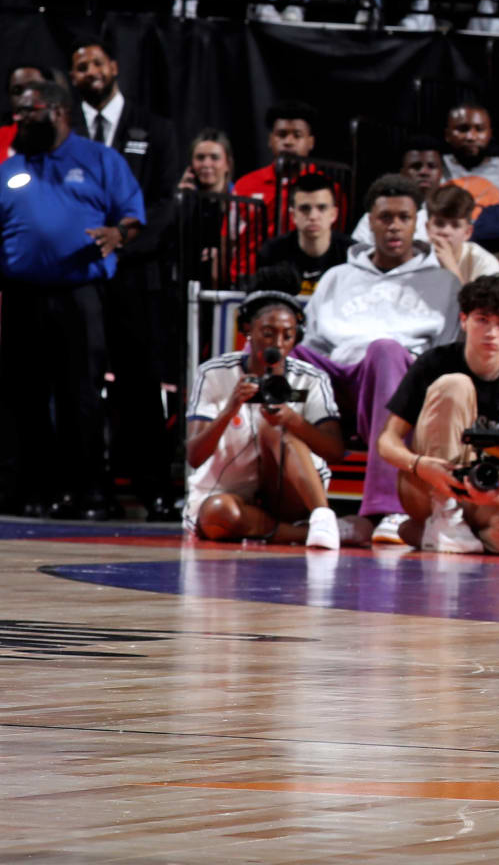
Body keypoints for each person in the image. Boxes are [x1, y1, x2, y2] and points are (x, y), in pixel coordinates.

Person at [0, 81, 143, 518]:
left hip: (80, 295)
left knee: (80, 395)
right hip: (23, 297)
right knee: (26, 396)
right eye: (17, 112)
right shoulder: (14, 167)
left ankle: (89, 492)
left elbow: (133, 217)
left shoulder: (100, 159)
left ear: (59, 111)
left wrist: (118, 233)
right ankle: (35, 490)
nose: (19, 119)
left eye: (29, 111)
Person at [291, 175, 461, 540]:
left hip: (402, 389)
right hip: (340, 384)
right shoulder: (337, 276)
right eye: (385, 218)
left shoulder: (443, 283)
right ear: (370, 222)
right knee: (276, 349)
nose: (394, 226)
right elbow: (314, 344)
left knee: (384, 350)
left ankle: (387, 510)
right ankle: (254, 494)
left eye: (404, 217)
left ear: (417, 222)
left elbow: (444, 354)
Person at [70, 36, 183, 516]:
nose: (90, 71)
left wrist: (123, 238)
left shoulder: (155, 130)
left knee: (139, 386)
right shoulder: (64, 130)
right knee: (80, 385)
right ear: (71, 78)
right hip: (77, 278)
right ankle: (89, 488)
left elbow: (165, 204)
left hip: (138, 279)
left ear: (114, 66)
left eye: (96, 61)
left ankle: (153, 486)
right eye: (79, 66)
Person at [373, 275, 499, 554]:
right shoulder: (434, 362)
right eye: (482, 320)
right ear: (464, 320)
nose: (491, 332)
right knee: (455, 384)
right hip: (428, 483)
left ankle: (430, 535)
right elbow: (387, 442)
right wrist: (419, 464)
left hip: (487, 492)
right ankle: (443, 517)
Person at [185, 290, 367, 548]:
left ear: (298, 337)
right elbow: (194, 455)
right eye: (268, 333)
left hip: (288, 494)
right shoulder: (213, 373)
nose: (278, 343)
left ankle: (322, 517)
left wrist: (293, 421)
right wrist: (230, 408)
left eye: (287, 335)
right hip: (228, 491)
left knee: (276, 429)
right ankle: (314, 534)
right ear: (248, 330)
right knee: (218, 515)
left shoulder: (311, 379)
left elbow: (335, 451)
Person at [254, 172, 351, 294]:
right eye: (305, 208)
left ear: (333, 214)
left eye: (321, 208)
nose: (313, 216)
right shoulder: (271, 253)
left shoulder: (352, 255)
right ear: (293, 215)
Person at [231, 99, 320, 214]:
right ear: (270, 140)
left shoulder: (330, 190)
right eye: (282, 135)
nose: (288, 142)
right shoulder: (245, 185)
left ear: (311, 142)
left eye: (297, 135)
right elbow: (230, 231)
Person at [442, 103, 499, 210]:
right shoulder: (435, 166)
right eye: (463, 129)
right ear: (447, 134)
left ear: (490, 134)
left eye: (480, 129)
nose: (471, 137)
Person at [424, 182, 499, 283]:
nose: (446, 231)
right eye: (439, 223)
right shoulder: (414, 257)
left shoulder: (485, 262)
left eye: (455, 225)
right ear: (427, 227)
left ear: (467, 233)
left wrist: (451, 267)